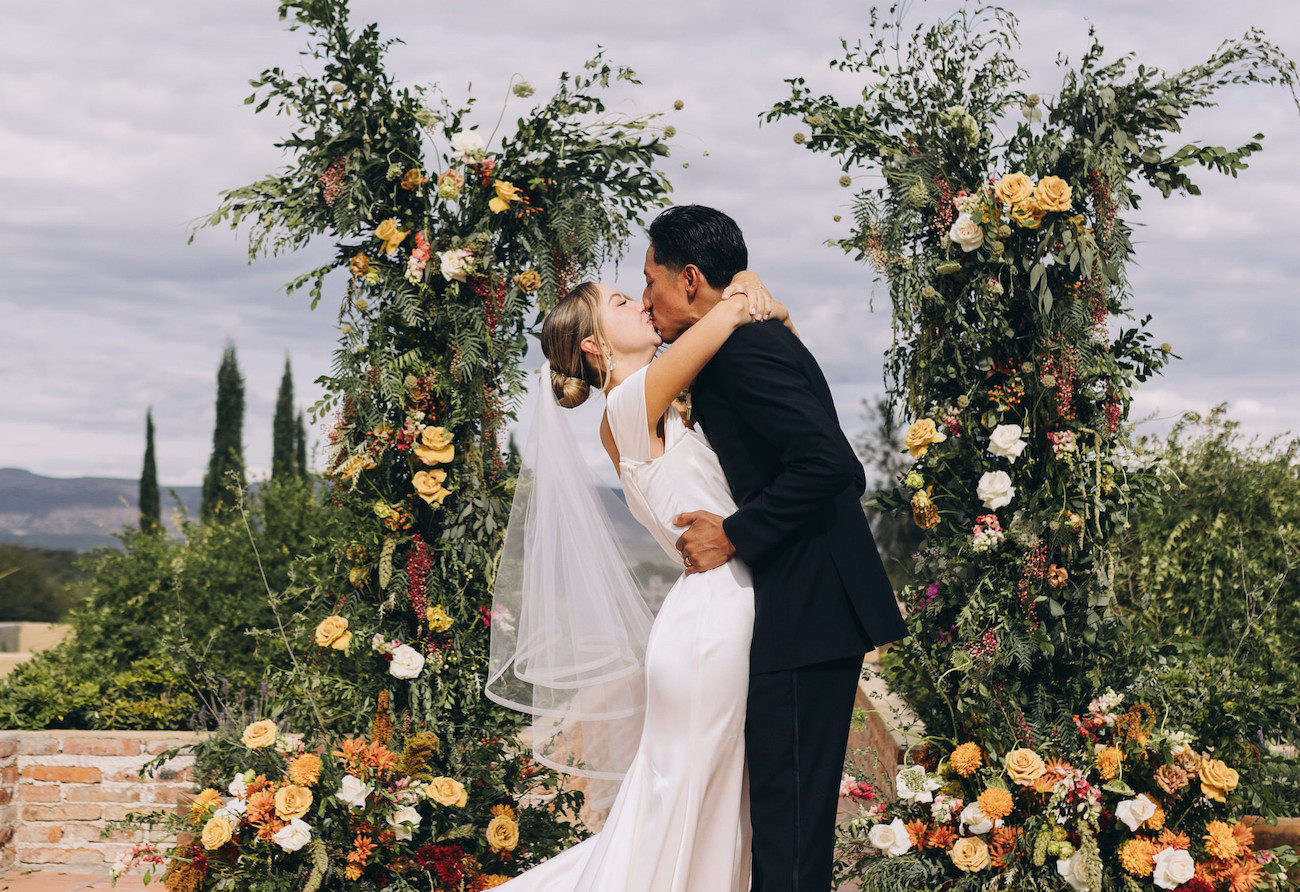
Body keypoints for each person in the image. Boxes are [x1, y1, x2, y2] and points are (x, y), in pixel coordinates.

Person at [487, 269, 789, 890]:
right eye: (623, 302)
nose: (643, 303)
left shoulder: (655, 407)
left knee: (701, 798)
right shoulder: (627, 407)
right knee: (685, 801)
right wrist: (745, 289)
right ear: (596, 346)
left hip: (714, 614)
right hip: (711, 626)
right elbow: (725, 320)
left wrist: (756, 297)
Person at [644, 205, 907, 892]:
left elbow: (829, 464)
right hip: (804, 606)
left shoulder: (740, 350)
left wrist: (733, 533)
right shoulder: (738, 339)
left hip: (806, 608)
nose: (647, 299)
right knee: (787, 829)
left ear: (692, 278)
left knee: (788, 838)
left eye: (651, 282)